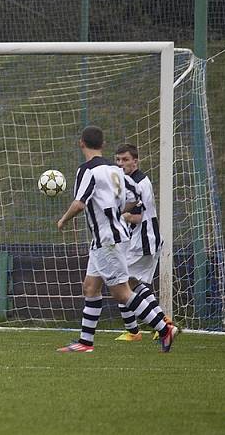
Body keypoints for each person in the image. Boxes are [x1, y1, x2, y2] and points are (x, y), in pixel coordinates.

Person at [56, 126, 178, 353]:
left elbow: (80, 203)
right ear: (102, 145)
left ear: (81, 143)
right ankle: (85, 342)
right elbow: (134, 196)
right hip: (111, 237)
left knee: (121, 292)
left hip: (107, 239)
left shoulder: (87, 170)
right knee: (90, 287)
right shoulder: (115, 170)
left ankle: (164, 328)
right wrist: (114, 210)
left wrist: (63, 220)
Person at [112, 144, 172, 342]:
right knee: (131, 283)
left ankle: (138, 330)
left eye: (125, 160)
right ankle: (160, 323)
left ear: (135, 161)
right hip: (143, 240)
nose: (121, 164)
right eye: (118, 160)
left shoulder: (135, 184)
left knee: (121, 282)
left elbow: (136, 217)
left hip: (142, 241)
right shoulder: (137, 179)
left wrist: (116, 214)